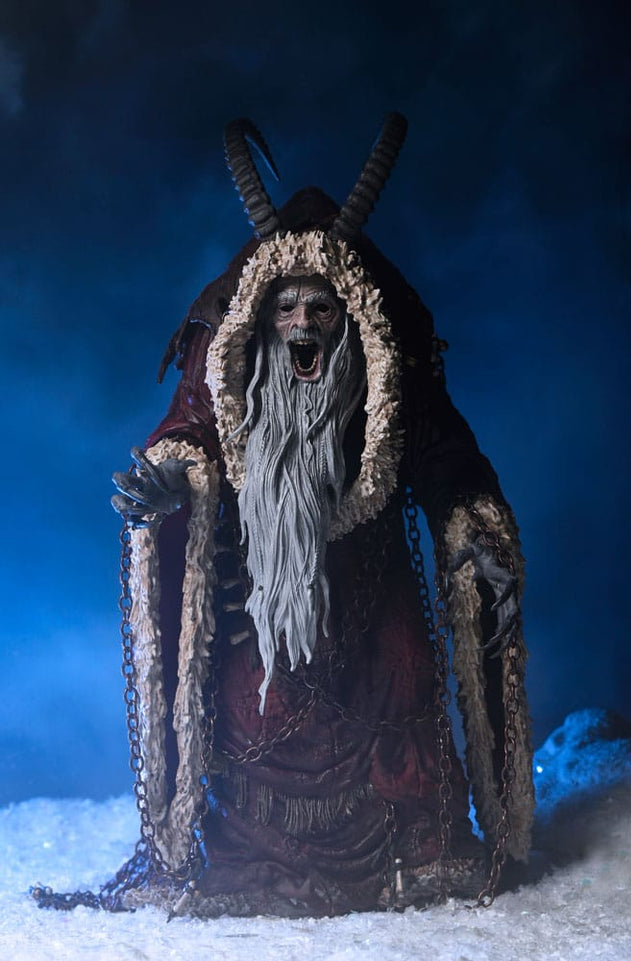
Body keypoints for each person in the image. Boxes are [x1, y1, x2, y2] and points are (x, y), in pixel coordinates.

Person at [37, 114, 534, 918]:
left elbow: (441, 448)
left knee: (403, 670)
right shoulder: (227, 351)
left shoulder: (387, 360)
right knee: (254, 703)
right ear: (261, 316)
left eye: (322, 310)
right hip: (261, 591)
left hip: (370, 577)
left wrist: (471, 522)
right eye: (288, 309)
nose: (303, 326)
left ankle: (421, 846)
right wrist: (170, 480)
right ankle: (245, 857)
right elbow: (191, 429)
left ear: (351, 316)